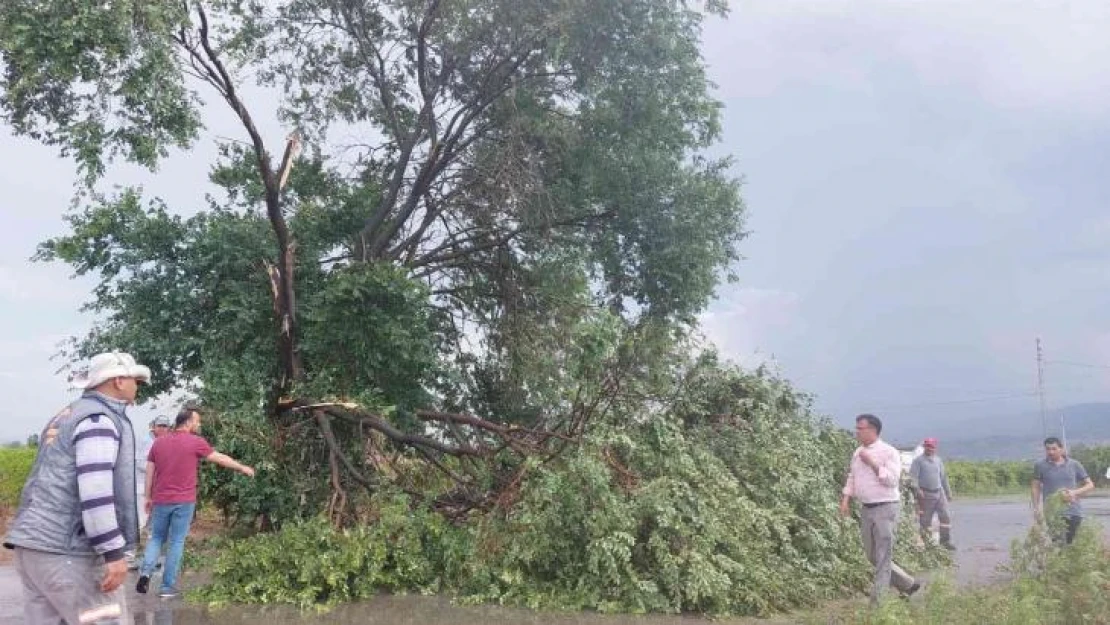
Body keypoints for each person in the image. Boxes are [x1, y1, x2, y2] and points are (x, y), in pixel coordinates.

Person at [3, 351, 151, 625]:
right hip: (67, 554)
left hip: (34, 549)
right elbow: (95, 490)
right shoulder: (99, 421)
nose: (137, 387)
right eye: (135, 381)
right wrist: (113, 554)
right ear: (119, 380)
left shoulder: (68, 415)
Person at [137, 406, 255, 598]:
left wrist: (148, 496)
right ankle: (166, 588)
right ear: (189, 422)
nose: (199, 424)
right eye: (197, 421)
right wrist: (241, 467)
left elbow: (150, 471)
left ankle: (144, 573)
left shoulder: (159, 443)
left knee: (157, 538)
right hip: (184, 501)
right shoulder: (195, 442)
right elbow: (219, 458)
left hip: (161, 499)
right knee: (176, 541)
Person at [840, 414, 921, 605]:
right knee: (872, 555)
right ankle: (908, 584)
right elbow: (852, 476)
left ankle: (878, 603)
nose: (857, 432)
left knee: (883, 555)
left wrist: (873, 464)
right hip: (866, 508)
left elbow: (892, 480)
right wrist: (845, 499)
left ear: (872, 430)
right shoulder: (857, 452)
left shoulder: (889, 452)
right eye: (857, 428)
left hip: (885, 507)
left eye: (860, 428)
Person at [1032, 437, 1094, 545]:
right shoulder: (1040, 465)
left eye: (1054, 449)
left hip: (1074, 511)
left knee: (1071, 544)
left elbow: (1090, 485)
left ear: (1061, 449)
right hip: (1052, 513)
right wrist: (1036, 508)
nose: (1050, 452)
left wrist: (1074, 492)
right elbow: (1035, 487)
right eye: (1048, 449)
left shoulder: (1074, 464)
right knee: (1058, 544)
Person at [908, 437, 956, 550]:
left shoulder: (938, 460)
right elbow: (913, 478)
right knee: (925, 520)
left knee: (945, 516)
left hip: (939, 493)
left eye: (931, 447)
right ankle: (928, 544)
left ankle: (945, 541)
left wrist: (948, 492)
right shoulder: (918, 461)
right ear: (925, 447)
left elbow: (943, 478)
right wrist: (917, 489)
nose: (929, 448)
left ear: (935, 448)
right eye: (927, 446)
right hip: (925, 494)